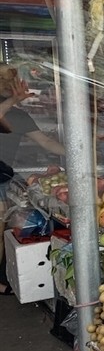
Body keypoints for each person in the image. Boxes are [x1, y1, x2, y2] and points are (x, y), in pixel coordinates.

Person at [0, 74, 65, 295]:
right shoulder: (9, 111)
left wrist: (79, 153)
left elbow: (46, 142)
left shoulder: (19, 116)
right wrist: (12, 101)